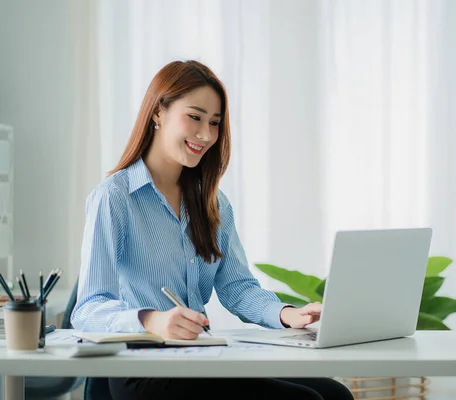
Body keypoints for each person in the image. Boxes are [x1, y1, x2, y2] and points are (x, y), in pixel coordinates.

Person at [71, 60, 354, 400]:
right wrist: (151, 320)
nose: (205, 134)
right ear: (158, 112)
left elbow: (237, 287)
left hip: (202, 359)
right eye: (194, 117)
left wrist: (286, 314)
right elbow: (87, 309)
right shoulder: (114, 199)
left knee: (335, 394)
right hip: (142, 369)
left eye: (214, 122)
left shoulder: (213, 201)